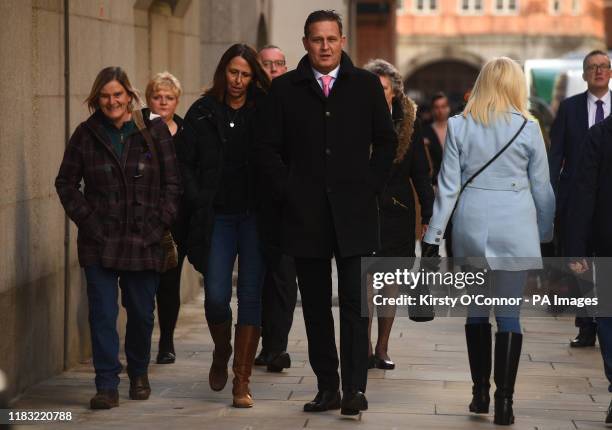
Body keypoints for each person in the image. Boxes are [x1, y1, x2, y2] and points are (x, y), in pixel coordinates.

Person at [256, 10, 397, 416]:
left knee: (354, 304)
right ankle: (327, 387)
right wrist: (288, 190)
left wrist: (370, 185)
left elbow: (385, 142)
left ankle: (354, 389)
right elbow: (266, 149)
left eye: (331, 39)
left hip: (354, 214)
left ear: (342, 41)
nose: (324, 46)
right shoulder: (285, 90)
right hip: (305, 216)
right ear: (305, 43)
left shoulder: (366, 85)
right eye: (317, 39)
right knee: (316, 307)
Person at [421, 57, 555, 425]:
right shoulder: (529, 128)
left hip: (472, 223)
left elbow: (448, 187)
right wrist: (545, 234)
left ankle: (480, 393)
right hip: (515, 224)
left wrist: (433, 236)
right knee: (509, 314)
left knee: (477, 313)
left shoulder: (460, 125)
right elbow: (542, 188)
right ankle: (505, 403)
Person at [55, 66, 181, 409]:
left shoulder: (153, 128)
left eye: (118, 94)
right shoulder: (86, 134)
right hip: (100, 241)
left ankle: (138, 371)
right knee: (102, 314)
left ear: (129, 95)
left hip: (145, 239)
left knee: (141, 313)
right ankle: (106, 385)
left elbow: (173, 184)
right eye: (105, 96)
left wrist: (160, 223)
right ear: (97, 99)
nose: (112, 101)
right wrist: (90, 223)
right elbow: (65, 183)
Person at [177, 43, 270, 408]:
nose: (238, 80)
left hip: (255, 216)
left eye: (246, 74)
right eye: (233, 72)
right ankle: (222, 349)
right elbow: (184, 161)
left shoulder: (263, 110)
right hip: (216, 215)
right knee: (216, 295)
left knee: (250, 295)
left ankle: (241, 381)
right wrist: (199, 196)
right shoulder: (202, 111)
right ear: (223, 72)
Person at [362, 59, 434, 370]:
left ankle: (382, 347)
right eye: (373, 89)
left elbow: (421, 171)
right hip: (363, 208)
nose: (378, 95)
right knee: (364, 278)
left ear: (395, 92)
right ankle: (362, 346)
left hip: (398, 212)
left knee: (389, 282)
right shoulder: (355, 119)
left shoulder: (409, 121)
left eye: (384, 89)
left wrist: (429, 213)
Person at [549, 50, 612, 348]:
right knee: (581, 260)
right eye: (592, 67)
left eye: (604, 66)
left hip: (608, 199)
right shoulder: (570, 108)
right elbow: (556, 154)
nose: (598, 71)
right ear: (585, 74)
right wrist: (552, 193)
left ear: (610, 72)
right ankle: (586, 324)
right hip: (576, 197)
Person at [565, 111, 612, 425]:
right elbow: (583, 194)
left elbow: (582, 194)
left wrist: (576, 250)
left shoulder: (601, 134)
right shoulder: (600, 135)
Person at [254, 45, 297, 372]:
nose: (273, 69)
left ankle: (276, 347)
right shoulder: (249, 101)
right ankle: (258, 344)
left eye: (278, 64)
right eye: (266, 64)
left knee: (283, 278)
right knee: (257, 280)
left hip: (288, 205)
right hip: (253, 206)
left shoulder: (295, 97)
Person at [144, 71, 186, 365]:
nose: (163, 102)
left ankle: (166, 341)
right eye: (157, 97)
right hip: (142, 218)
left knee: (169, 283)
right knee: (141, 284)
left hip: (176, 221)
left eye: (169, 98)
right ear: (149, 100)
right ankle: (140, 338)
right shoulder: (137, 130)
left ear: (176, 101)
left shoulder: (185, 132)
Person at [422, 92, 450, 185]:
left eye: (443, 106)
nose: (440, 110)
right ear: (432, 110)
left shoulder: (457, 130)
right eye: (437, 107)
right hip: (434, 184)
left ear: (448, 108)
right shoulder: (425, 132)